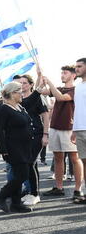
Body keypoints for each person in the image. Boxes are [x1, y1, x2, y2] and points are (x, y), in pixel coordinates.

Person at [40, 65, 84, 199]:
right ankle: (59, 187)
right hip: (54, 127)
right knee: (58, 158)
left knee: (74, 158)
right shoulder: (59, 88)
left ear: (73, 75)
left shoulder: (75, 89)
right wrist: (40, 77)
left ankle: (78, 189)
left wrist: (50, 82)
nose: (62, 75)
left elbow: (61, 98)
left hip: (69, 128)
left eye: (65, 73)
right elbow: (41, 91)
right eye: (61, 73)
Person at [0, 82, 34, 213]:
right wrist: (2, 149)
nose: (22, 93)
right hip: (13, 148)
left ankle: (16, 204)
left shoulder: (20, 107)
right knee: (22, 175)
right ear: (12, 93)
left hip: (25, 147)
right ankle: (1, 196)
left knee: (19, 175)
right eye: (19, 91)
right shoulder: (4, 109)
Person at [19, 74, 50, 206]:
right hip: (23, 136)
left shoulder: (38, 98)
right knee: (31, 164)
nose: (22, 85)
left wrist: (45, 134)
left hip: (37, 133)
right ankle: (32, 191)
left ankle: (35, 194)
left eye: (25, 83)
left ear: (31, 85)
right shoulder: (18, 99)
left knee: (30, 162)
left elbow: (45, 116)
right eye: (20, 83)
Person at [71, 58, 86, 204]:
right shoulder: (78, 86)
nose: (77, 69)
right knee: (85, 162)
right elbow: (77, 110)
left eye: (80, 66)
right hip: (80, 129)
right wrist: (74, 129)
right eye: (76, 66)